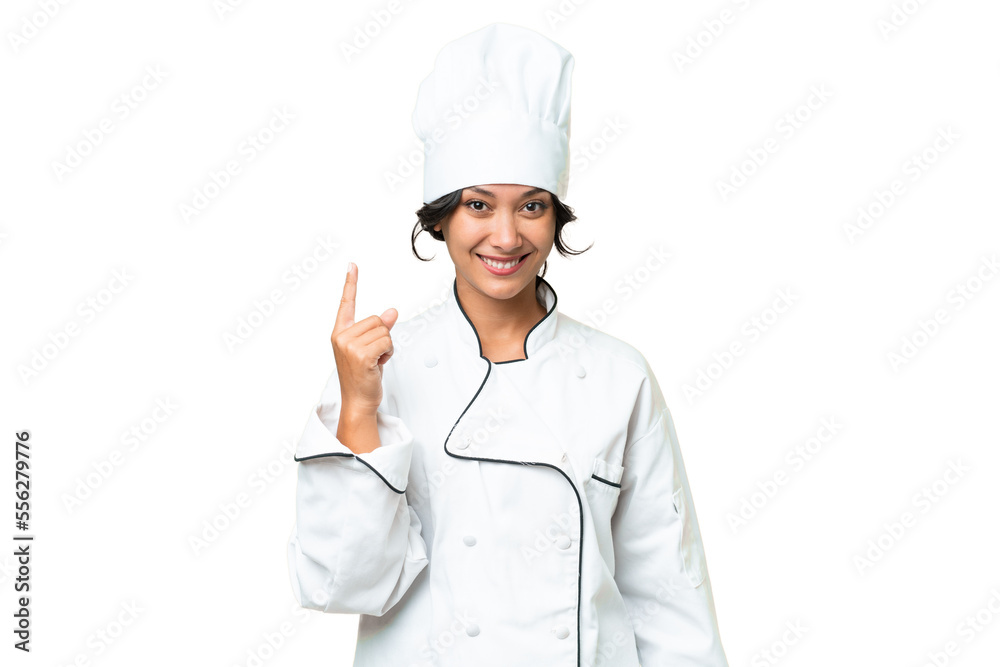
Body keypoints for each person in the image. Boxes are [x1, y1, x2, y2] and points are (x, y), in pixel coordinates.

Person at [286, 22, 730, 667]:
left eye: (531, 207)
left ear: (556, 218)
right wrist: (357, 406)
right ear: (440, 217)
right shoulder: (381, 367)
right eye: (477, 205)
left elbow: (668, 595)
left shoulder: (616, 376)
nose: (505, 236)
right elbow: (343, 583)